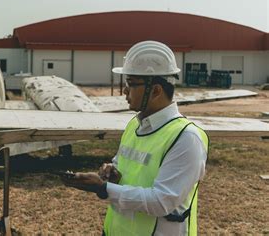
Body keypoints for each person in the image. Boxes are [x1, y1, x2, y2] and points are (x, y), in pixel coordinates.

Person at [62, 40, 209, 236]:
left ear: (156, 90)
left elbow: (161, 202)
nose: (125, 90)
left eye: (131, 84)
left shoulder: (186, 138)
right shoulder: (135, 124)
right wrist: (112, 172)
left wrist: (103, 188)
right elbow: (126, 165)